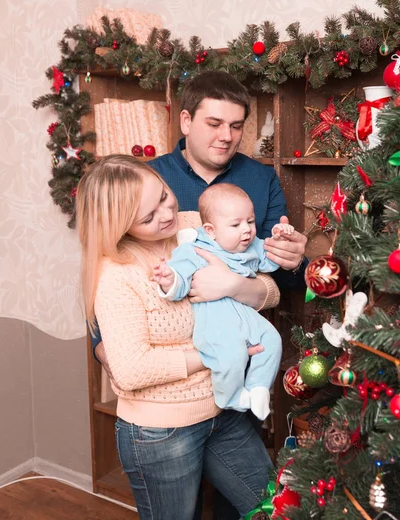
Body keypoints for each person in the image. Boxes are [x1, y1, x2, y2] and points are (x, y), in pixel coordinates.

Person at [91, 70, 309, 519]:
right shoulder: (144, 193)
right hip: (165, 421)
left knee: (266, 508)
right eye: (214, 123)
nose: (166, 213)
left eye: (236, 126)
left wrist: (267, 271)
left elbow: (271, 275)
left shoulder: (203, 216)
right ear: (186, 120)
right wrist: (107, 348)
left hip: (225, 401)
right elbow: (115, 325)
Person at [76, 155, 276, 520]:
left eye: (165, 197)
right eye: (148, 217)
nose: (167, 215)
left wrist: (234, 285)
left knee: (276, 507)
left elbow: (269, 290)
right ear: (119, 226)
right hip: (160, 432)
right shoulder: (116, 276)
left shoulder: (195, 226)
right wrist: (219, 353)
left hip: (225, 408)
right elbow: (132, 370)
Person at [152, 184, 295, 421]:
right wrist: (169, 280)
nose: (247, 230)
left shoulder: (252, 244)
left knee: (272, 339)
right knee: (231, 355)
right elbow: (181, 283)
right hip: (215, 321)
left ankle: (258, 387)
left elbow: (269, 263)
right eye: (236, 224)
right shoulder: (195, 249)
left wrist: (279, 237)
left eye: (250, 221)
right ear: (211, 230)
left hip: (246, 314)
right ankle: (230, 397)